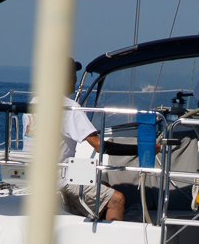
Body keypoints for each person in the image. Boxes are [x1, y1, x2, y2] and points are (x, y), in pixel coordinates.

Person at [23, 59, 127, 221]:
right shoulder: (68, 107)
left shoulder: (34, 102)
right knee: (116, 199)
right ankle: (109, 243)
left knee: (103, 185)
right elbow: (98, 145)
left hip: (33, 174)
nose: (76, 80)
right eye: (73, 75)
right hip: (58, 178)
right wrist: (140, 150)